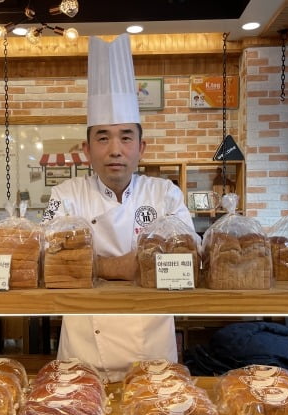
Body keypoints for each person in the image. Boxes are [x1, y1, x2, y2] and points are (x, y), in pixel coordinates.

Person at [42, 34, 195, 382]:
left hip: (153, 357)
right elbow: (47, 263)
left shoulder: (165, 194)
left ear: (141, 147)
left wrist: (92, 265)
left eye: (126, 137)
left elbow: (186, 261)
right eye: (103, 137)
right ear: (86, 148)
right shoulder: (66, 194)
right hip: (81, 359)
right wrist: (134, 265)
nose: (115, 149)